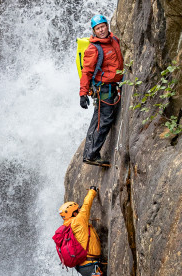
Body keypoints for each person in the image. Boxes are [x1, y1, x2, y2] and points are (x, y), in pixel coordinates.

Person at [58, 186, 105, 276]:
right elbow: (86, 206)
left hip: (85, 265)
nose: (79, 211)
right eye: (76, 210)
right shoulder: (78, 221)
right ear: (74, 213)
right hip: (90, 265)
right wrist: (92, 191)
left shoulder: (67, 226)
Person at [79, 14, 124, 167]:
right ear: (94, 31)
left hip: (112, 86)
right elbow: (86, 72)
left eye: (103, 26)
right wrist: (83, 94)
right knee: (105, 120)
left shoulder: (114, 40)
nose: (101, 30)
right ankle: (92, 155)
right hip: (104, 88)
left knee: (97, 120)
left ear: (107, 25)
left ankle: (88, 153)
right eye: (98, 28)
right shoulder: (93, 49)